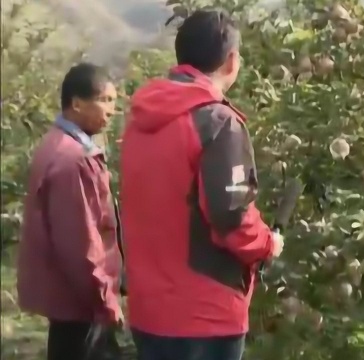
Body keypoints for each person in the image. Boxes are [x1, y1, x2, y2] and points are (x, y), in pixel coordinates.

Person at [120, 9, 284, 360]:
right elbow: (232, 218)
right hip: (203, 315)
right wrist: (268, 244)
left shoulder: (140, 120)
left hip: (149, 308)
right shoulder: (217, 122)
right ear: (232, 60)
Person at [16, 62, 123, 360]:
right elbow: (80, 243)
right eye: (105, 101)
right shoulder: (72, 159)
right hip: (80, 302)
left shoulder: (57, 145)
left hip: (69, 298)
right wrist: (105, 300)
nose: (112, 111)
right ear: (76, 103)